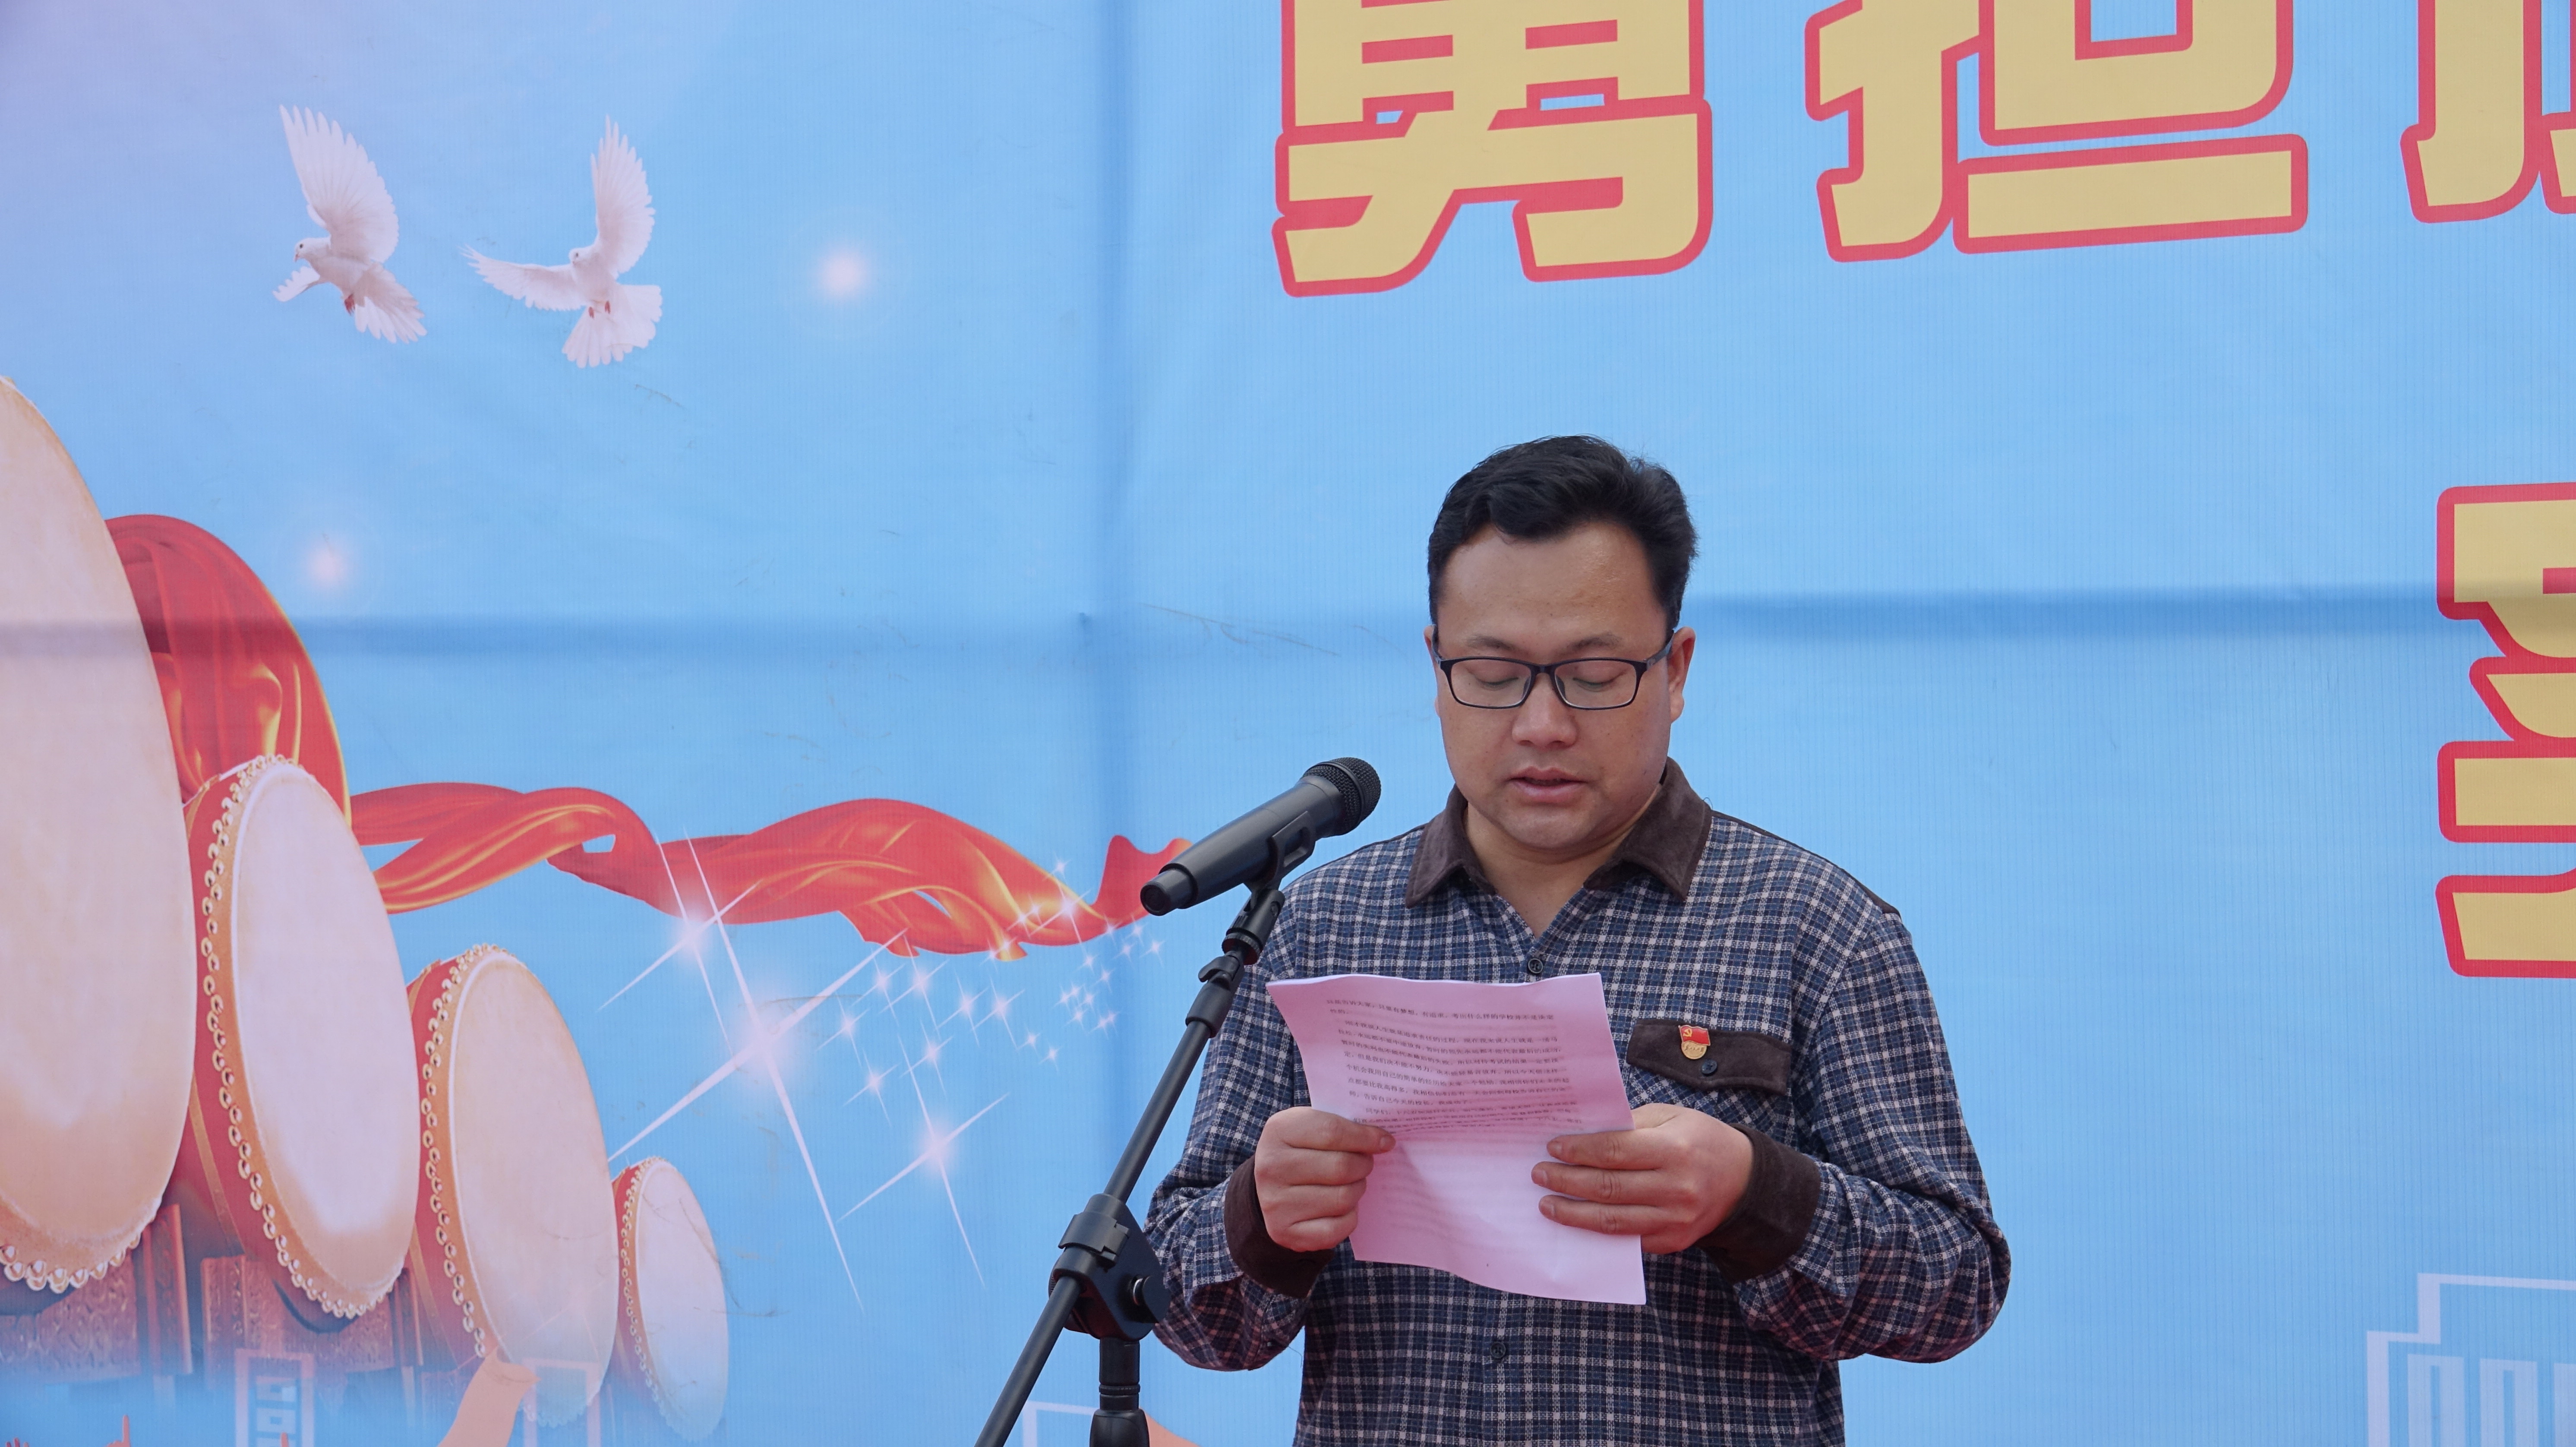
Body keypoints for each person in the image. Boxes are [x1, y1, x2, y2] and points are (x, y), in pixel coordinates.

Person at [1143, 436, 2008, 1445]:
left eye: (1593, 675)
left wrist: (1751, 1192)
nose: (1541, 723)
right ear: (1435, 667)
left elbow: (1953, 1284)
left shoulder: (1813, 923)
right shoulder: (1318, 924)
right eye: (1493, 672)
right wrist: (1262, 1212)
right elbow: (1196, 1318)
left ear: (1673, 670)